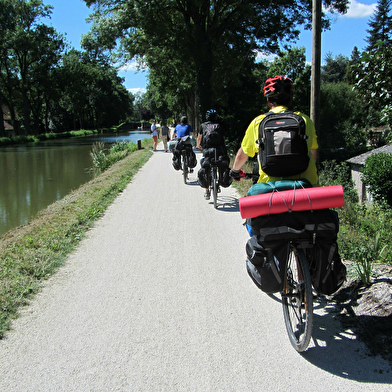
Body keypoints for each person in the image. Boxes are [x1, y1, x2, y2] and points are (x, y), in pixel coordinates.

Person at [230, 75, 318, 186]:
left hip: (271, 187)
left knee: (254, 196)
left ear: (268, 100)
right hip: (303, 186)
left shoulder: (258, 122)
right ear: (290, 98)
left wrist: (235, 171)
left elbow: (241, 156)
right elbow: (313, 153)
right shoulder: (305, 120)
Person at [197, 109, 229, 200]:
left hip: (207, 151)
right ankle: (221, 180)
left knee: (205, 167)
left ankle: (207, 191)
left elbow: (199, 138)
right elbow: (223, 139)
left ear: (207, 117)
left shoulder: (203, 126)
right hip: (219, 150)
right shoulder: (220, 126)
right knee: (221, 163)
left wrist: (198, 145)